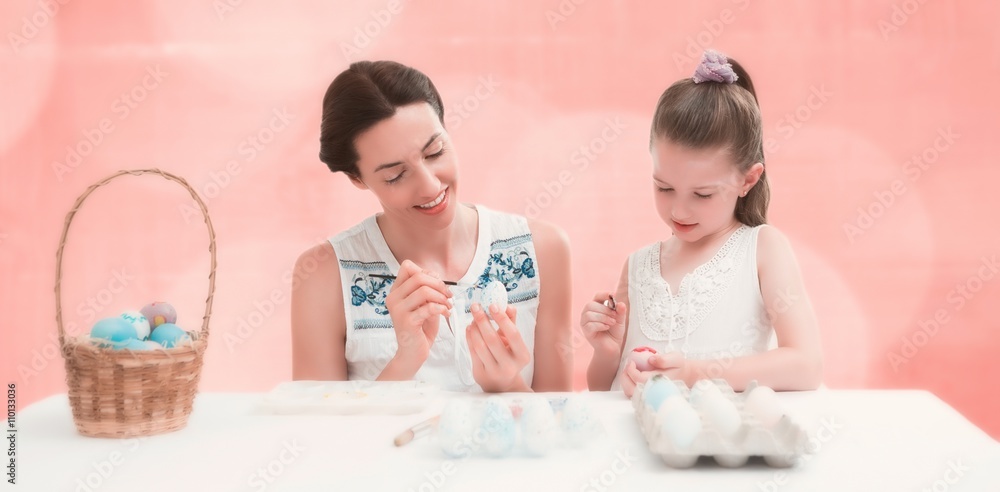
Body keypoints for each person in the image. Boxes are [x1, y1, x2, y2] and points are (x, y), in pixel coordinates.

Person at [292, 60, 573, 393]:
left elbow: (558, 428)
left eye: (435, 151)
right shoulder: (323, 275)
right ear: (357, 179)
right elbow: (319, 434)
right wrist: (405, 361)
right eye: (395, 176)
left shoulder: (542, 249)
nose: (429, 186)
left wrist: (508, 385)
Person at [581, 50, 823, 396]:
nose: (680, 210)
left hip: (720, 445)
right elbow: (602, 391)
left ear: (747, 180)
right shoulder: (638, 266)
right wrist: (606, 351)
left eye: (703, 195)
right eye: (664, 187)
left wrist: (695, 374)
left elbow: (806, 365)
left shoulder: (762, 250)